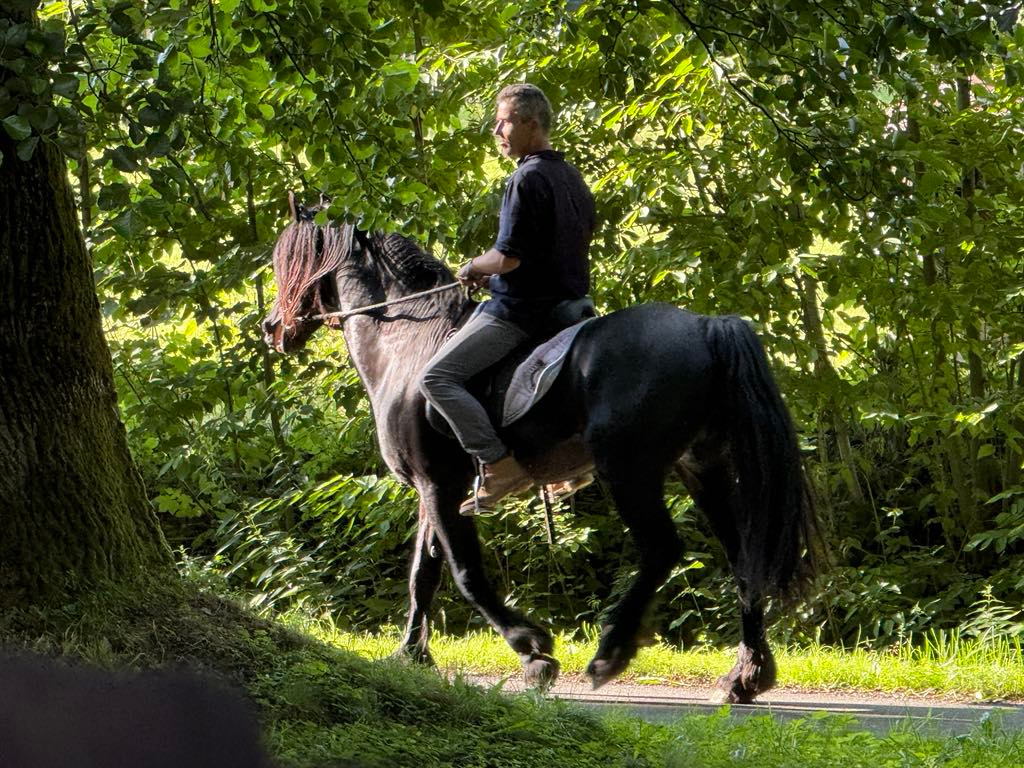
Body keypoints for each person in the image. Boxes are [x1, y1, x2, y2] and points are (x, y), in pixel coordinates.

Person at [419, 83, 596, 516]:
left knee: (436, 379)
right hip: (571, 311)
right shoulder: (571, 176)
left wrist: (473, 267)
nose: (496, 130)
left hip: (521, 312)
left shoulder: (526, 177)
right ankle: (569, 463)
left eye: (504, 121)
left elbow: (508, 259)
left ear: (531, 124)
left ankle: (498, 464)